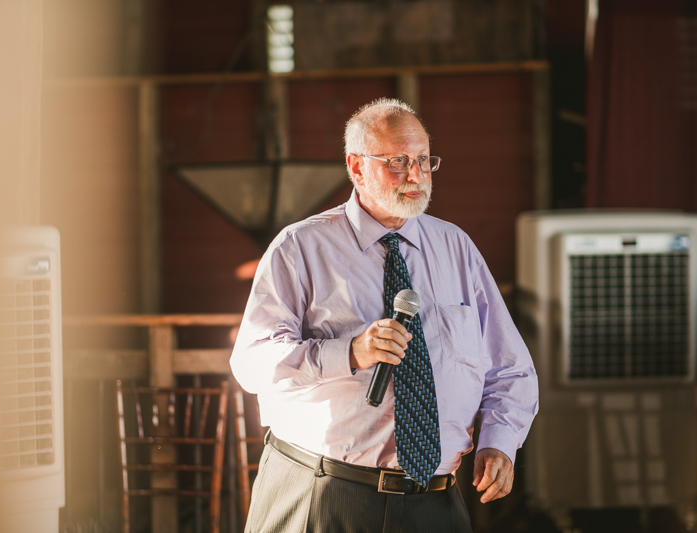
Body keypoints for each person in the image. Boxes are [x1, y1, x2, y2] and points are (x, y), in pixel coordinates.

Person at [230, 97, 538, 532]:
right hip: (321, 493)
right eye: (397, 161)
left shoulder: (457, 249)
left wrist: (501, 442)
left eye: (424, 160)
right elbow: (252, 363)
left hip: (434, 501)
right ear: (356, 167)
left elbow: (512, 370)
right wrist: (349, 352)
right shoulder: (299, 248)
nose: (415, 175)